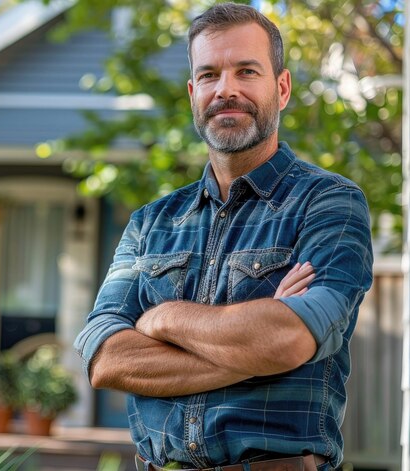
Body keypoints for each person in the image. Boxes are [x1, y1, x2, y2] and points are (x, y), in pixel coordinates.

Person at [73, 3, 373, 471]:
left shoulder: (329, 203)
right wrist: (256, 341)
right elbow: (105, 359)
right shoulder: (151, 222)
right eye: (209, 75)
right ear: (194, 92)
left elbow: (290, 340)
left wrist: (162, 320)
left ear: (282, 87)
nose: (225, 90)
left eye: (246, 71)